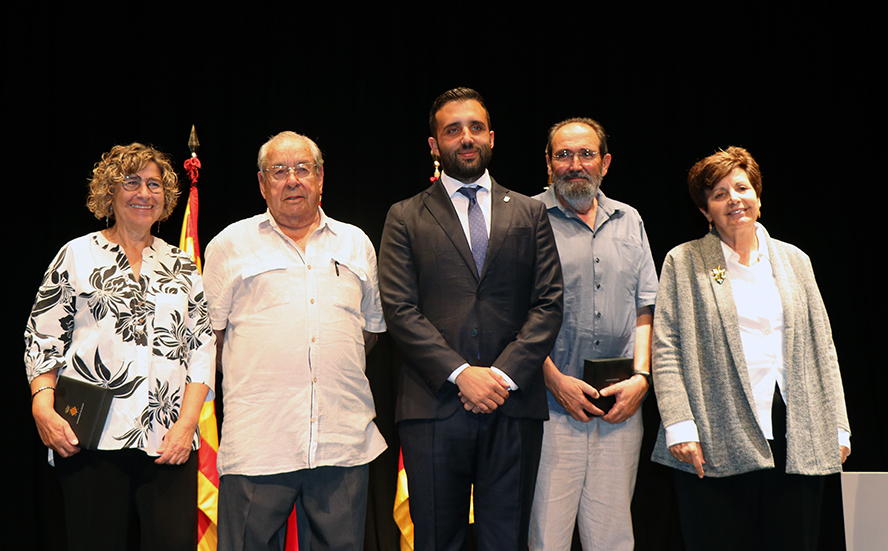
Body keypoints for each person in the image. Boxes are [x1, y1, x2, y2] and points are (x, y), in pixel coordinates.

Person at [378, 87, 564, 551]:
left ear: (492, 137)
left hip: (513, 403)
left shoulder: (530, 212)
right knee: (439, 539)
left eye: (476, 128)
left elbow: (548, 304)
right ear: (433, 144)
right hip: (434, 408)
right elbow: (400, 310)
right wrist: (461, 375)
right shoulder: (404, 216)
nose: (466, 138)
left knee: (508, 539)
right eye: (452, 129)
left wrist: (500, 376)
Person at [651, 146, 850, 550]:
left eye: (741, 188)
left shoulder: (795, 260)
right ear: (705, 211)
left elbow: (822, 346)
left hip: (797, 433)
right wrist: (679, 425)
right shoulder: (684, 260)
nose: (733, 199)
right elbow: (666, 347)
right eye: (719, 193)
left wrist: (838, 425)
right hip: (713, 432)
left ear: (758, 196)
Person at [24, 143, 216, 550]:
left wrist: (186, 426)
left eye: (154, 184)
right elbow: (42, 337)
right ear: (109, 193)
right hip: (89, 438)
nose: (144, 193)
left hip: (169, 442)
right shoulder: (76, 255)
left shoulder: (181, 264)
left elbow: (201, 350)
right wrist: (43, 408)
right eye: (131, 183)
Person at [203, 131, 387, 551]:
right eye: (279, 171)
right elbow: (206, 339)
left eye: (303, 169)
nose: (292, 180)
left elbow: (370, 331)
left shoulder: (356, 242)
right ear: (262, 183)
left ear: (320, 178)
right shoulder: (230, 245)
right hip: (258, 443)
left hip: (343, 442)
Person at [528, 118, 657, 550]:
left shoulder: (630, 220)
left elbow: (645, 308)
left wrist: (641, 379)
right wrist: (554, 381)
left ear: (605, 163)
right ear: (548, 164)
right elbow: (512, 316)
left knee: (613, 540)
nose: (575, 164)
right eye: (563, 155)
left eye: (586, 154)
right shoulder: (526, 218)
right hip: (551, 409)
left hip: (620, 409)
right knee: (547, 539)